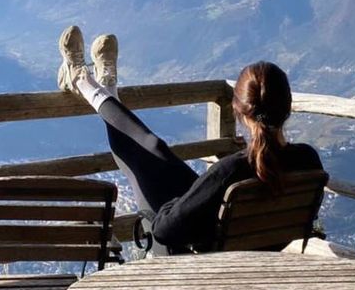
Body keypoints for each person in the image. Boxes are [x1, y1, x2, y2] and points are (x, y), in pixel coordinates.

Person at [57, 25, 323, 255]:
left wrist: (172, 202)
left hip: (200, 264)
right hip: (246, 253)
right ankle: (102, 87)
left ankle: (84, 81)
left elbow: (163, 231)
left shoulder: (230, 171)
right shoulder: (308, 160)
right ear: (288, 108)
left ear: (239, 111)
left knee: (140, 156)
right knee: (155, 149)